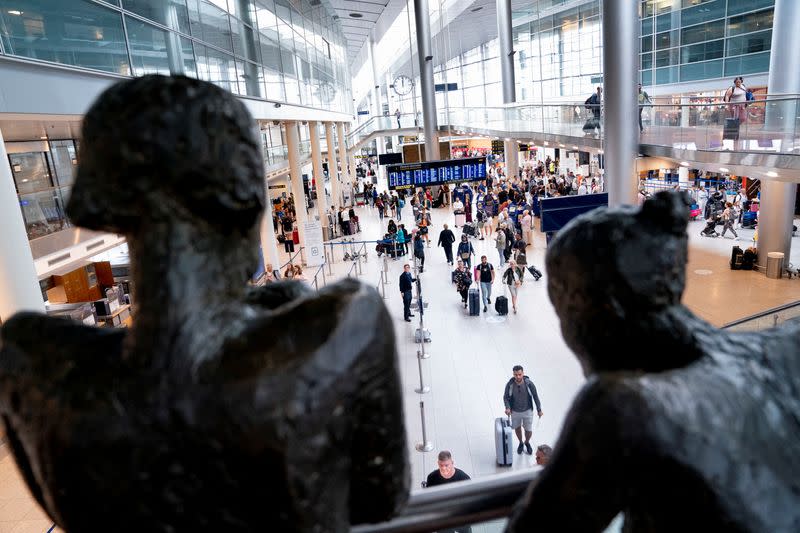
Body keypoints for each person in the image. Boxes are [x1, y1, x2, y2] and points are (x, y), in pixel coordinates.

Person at [503, 365, 544, 455]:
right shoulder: (510, 384)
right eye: (515, 375)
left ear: (523, 373)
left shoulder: (529, 384)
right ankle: (521, 443)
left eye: (519, 374)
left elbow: (535, 396)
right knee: (517, 428)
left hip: (528, 411)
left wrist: (539, 409)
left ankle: (527, 442)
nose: (518, 376)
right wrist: (508, 408)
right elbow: (505, 397)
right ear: (513, 374)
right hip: (515, 411)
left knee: (528, 430)